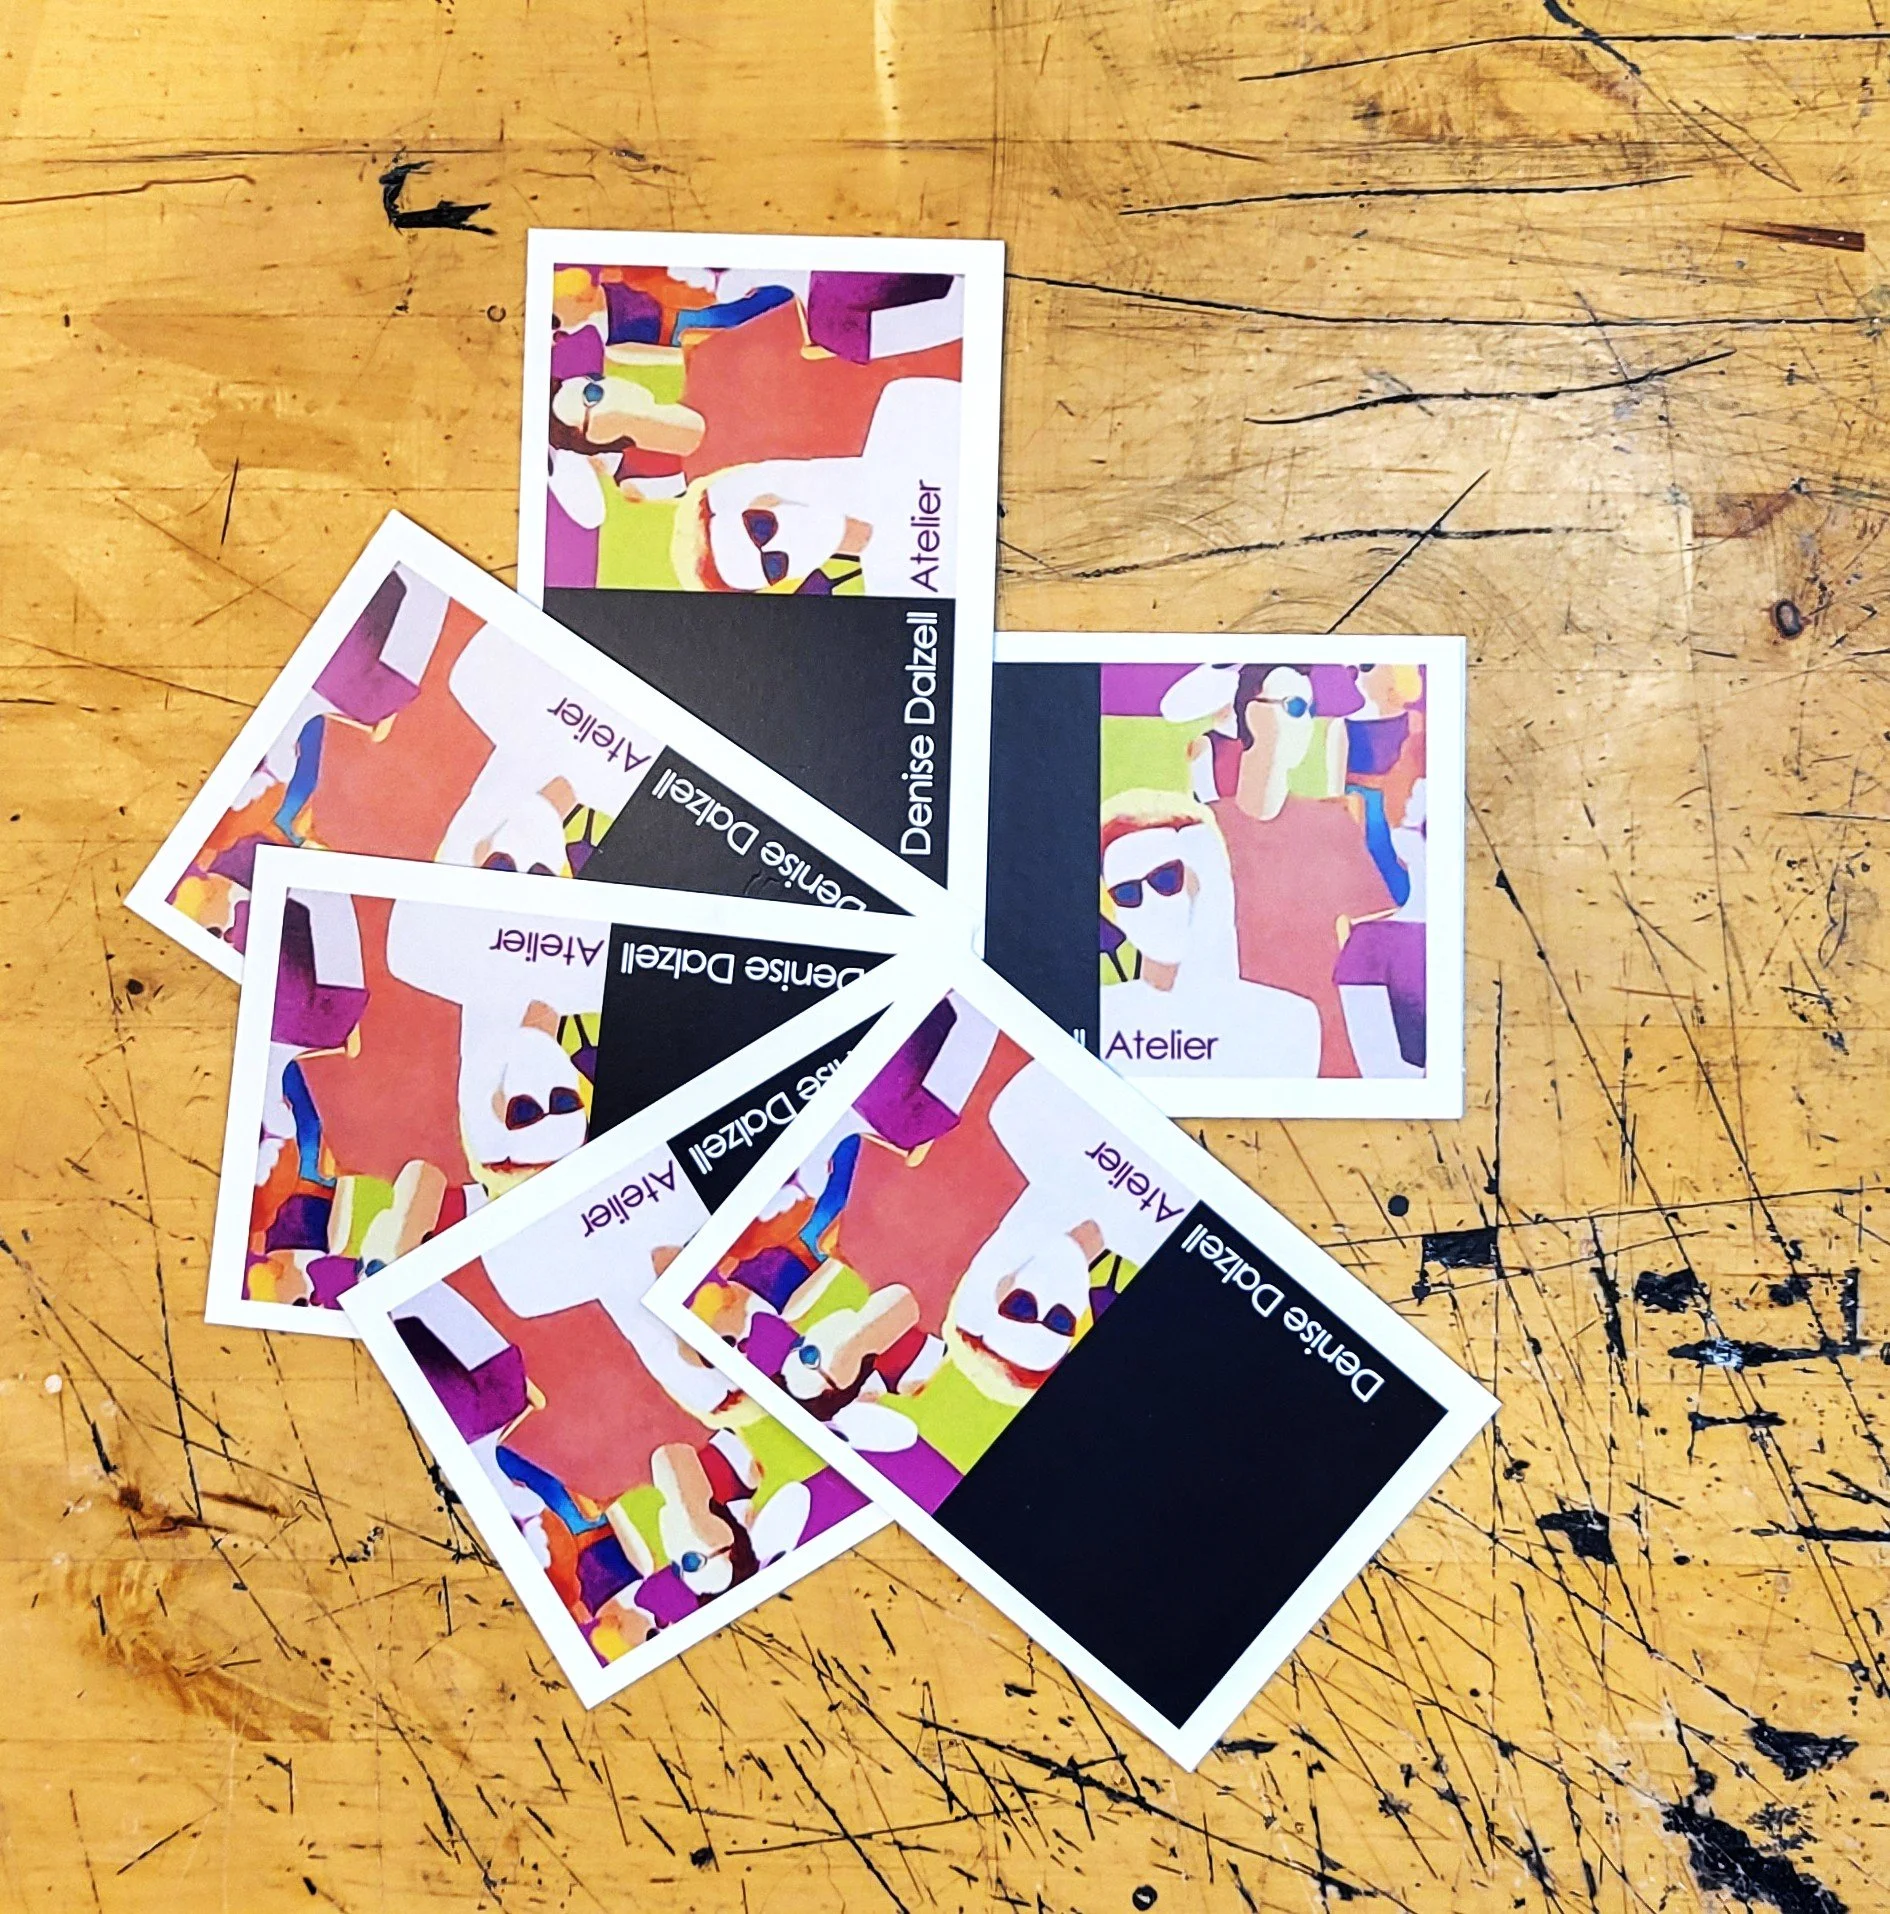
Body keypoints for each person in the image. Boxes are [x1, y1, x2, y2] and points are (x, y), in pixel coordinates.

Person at [1204, 666, 1396, 1077]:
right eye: (1294, 707)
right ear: (1251, 714)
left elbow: (1373, 944)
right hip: (1231, 1043)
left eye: (1310, 710)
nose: (1306, 723)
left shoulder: (1331, 825)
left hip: (1323, 1044)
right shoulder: (1204, 829)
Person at [1098, 789, 1323, 1079]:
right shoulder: (1103, 1013)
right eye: (1127, 893)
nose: (1151, 903)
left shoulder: (1287, 1020)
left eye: (1165, 879)